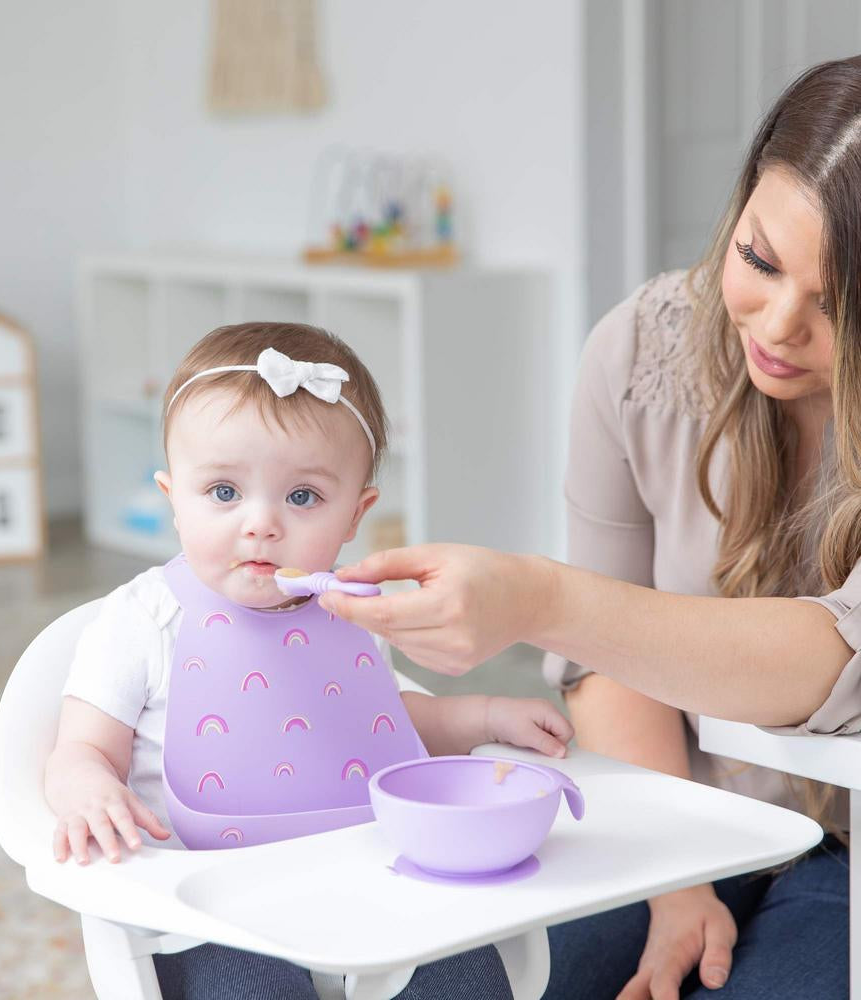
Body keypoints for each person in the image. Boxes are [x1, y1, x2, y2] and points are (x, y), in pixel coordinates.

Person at [318, 57, 861, 999]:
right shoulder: (642, 347)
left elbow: (833, 659)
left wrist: (538, 597)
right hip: (686, 807)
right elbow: (605, 666)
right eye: (760, 260)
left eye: (841, 307)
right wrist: (676, 881)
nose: (776, 324)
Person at [43, 322, 574, 1000]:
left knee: (467, 977)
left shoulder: (352, 610)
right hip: (206, 906)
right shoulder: (143, 620)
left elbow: (376, 725)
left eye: (302, 497)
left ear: (357, 514)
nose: (261, 523)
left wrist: (485, 716)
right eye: (224, 493)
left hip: (365, 879)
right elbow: (78, 749)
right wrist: (88, 788)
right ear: (173, 498)